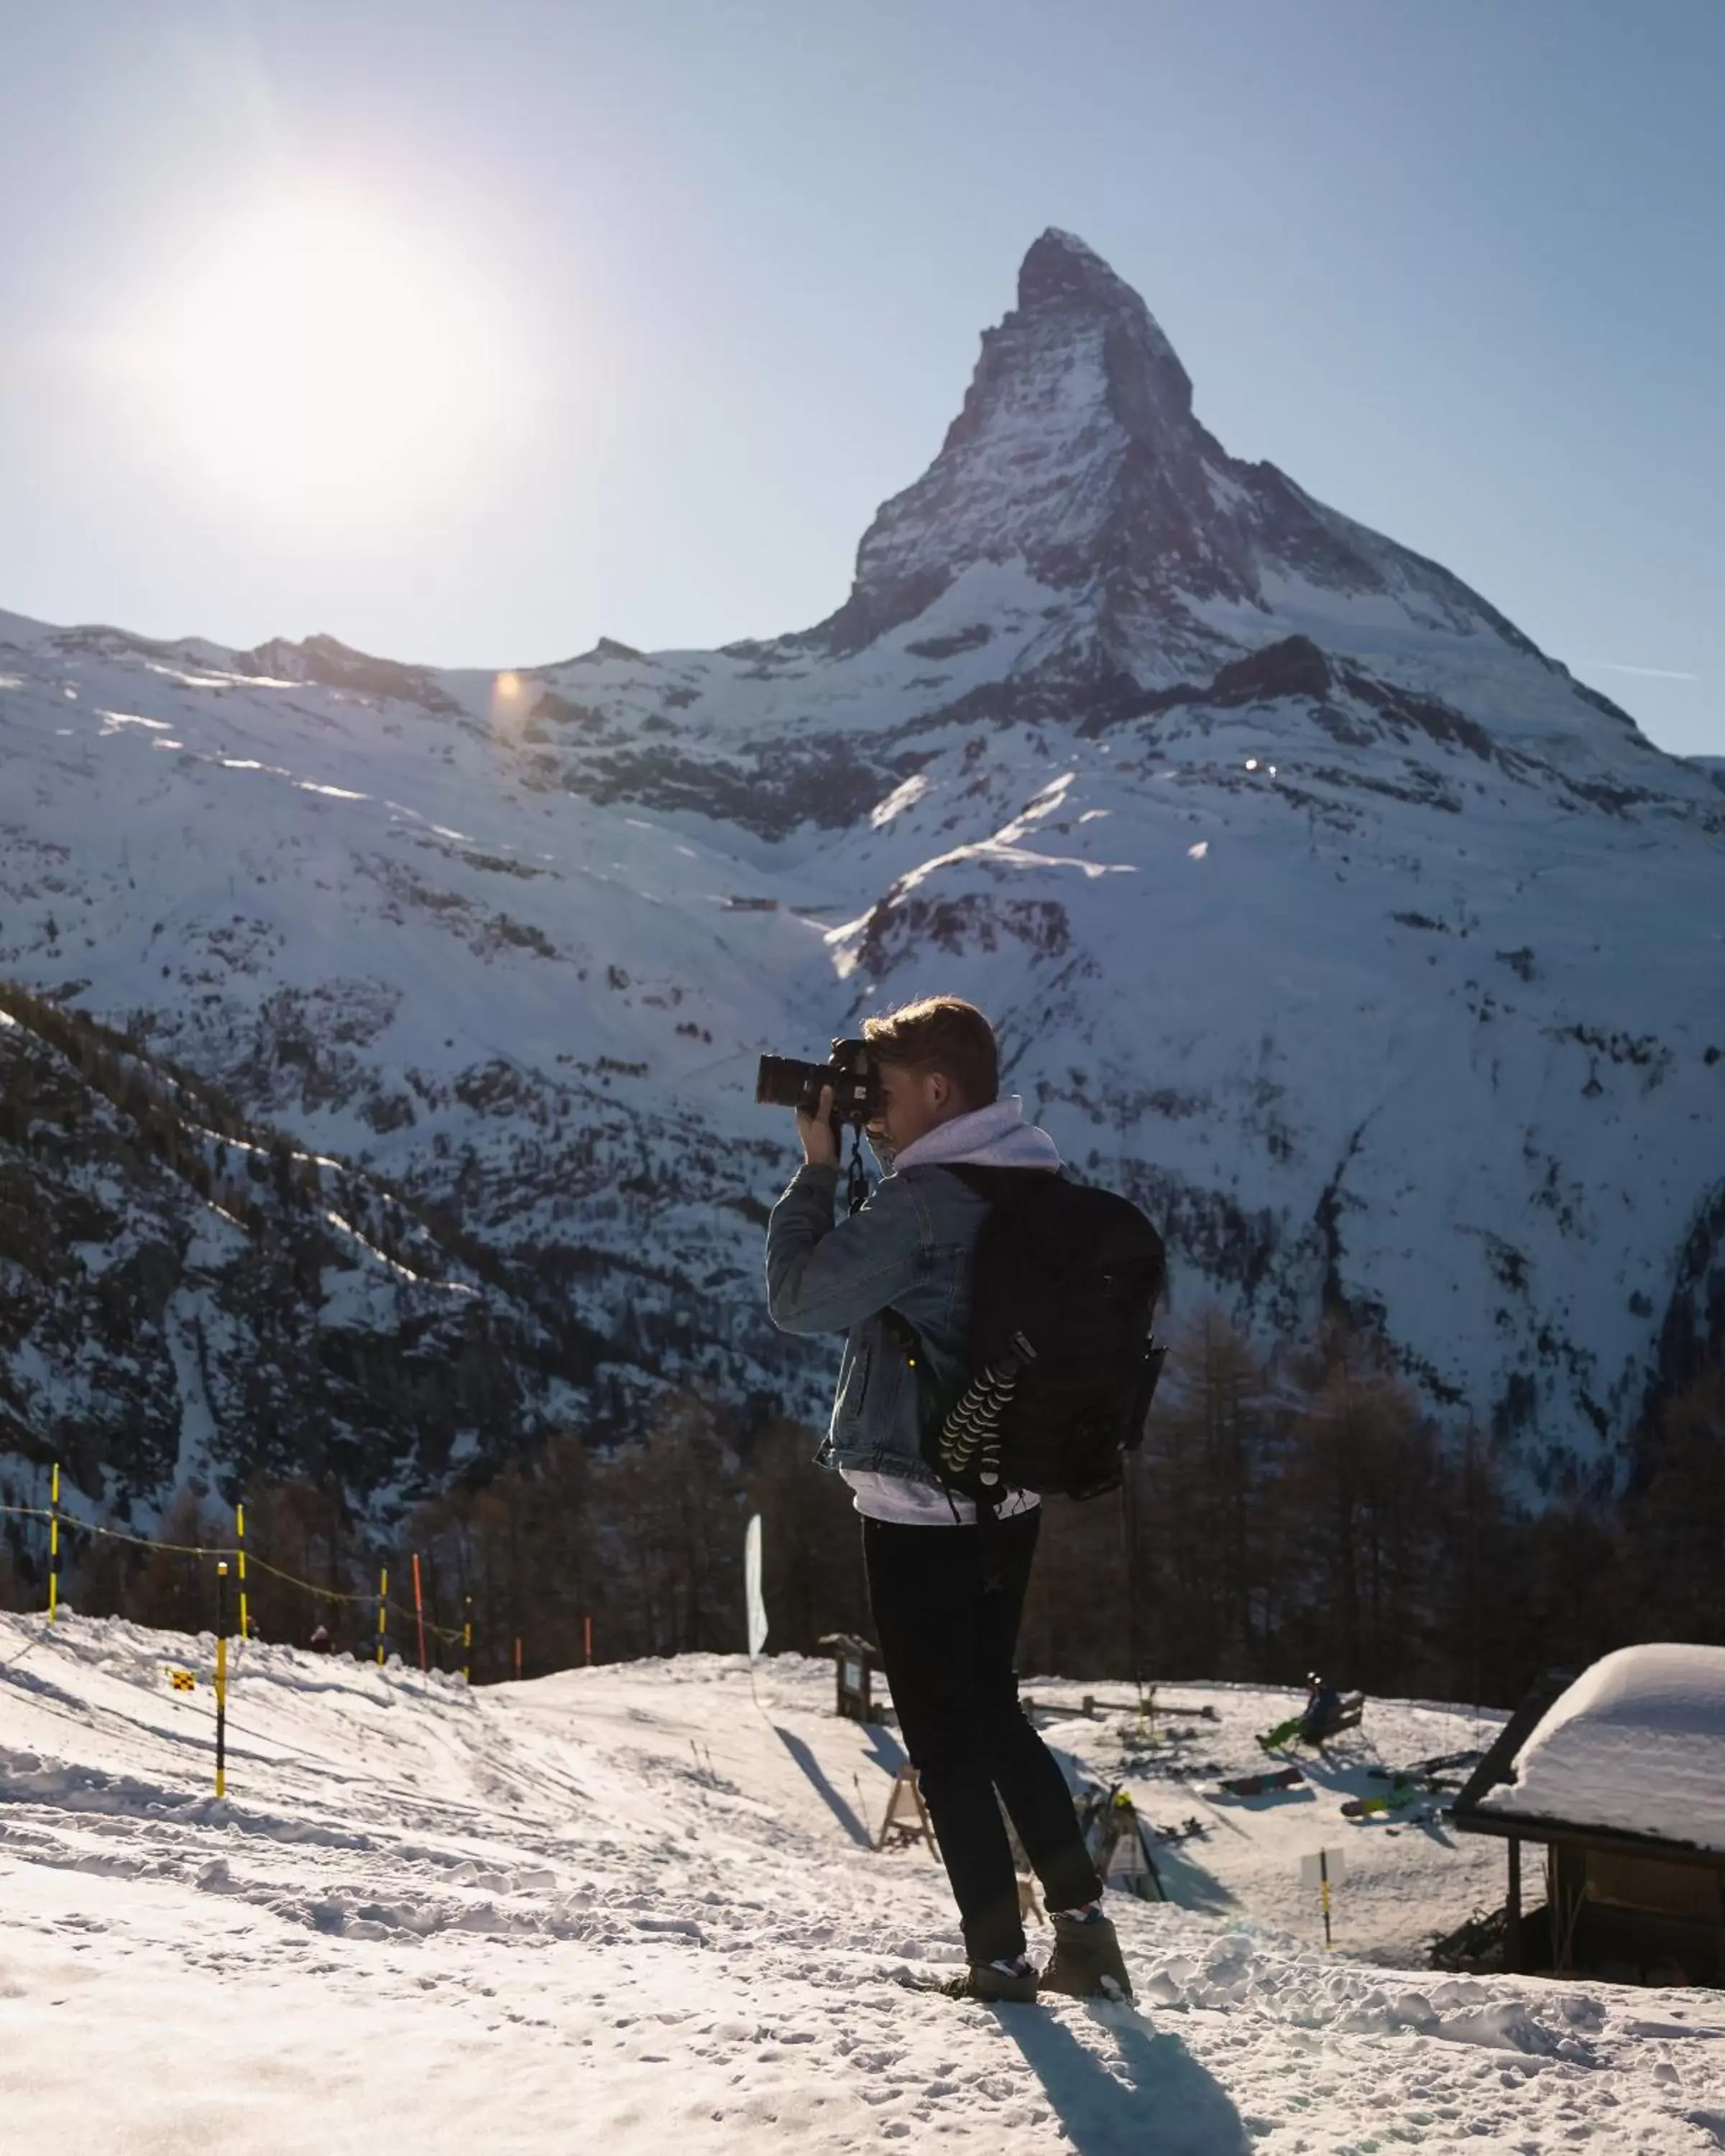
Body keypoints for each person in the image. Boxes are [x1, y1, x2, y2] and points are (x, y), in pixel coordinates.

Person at [765, 995, 1130, 2004]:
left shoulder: (919, 1205)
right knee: (994, 1715)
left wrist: (822, 1166)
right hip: (1009, 1496)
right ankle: (1086, 1937)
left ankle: (1000, 1963)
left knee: (942, 1736)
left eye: (880, 1098)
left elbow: (798, 1300)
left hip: (922, 1507)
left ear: (937, 1089)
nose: (871, 1115)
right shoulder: (1029, 1178)